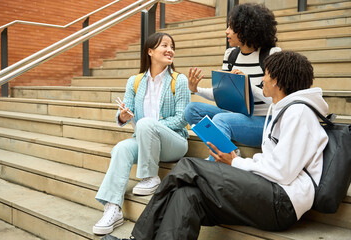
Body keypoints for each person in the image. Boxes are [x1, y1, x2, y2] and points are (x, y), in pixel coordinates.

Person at [106, 50, 329, 240]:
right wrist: (241, 161)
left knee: (188, 167)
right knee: (187, 195)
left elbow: (283, 171)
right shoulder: (283, 109)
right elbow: (274, 161)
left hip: (282, 201)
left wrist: (237, 162)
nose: (262, 80)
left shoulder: (299, 113)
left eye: (266, 75)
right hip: (267, 190)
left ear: (277, 81)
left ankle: (137, 237)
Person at [93, 32, 191, 235]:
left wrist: (151, 125)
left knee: (146, 124)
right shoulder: (135, 82)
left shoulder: (178, 80)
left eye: (172, 46)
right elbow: (124, 113)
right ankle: (113, 208)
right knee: (121, 148)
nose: (169, 50)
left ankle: (150, 177)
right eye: (164, 45)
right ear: (150, 51)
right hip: (144, 140)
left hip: (174, 143)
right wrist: (123, 116)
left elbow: (183, 119)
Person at [185, 3, 281, 149]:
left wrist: (247, 86)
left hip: (264, 121)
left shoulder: (272, 54)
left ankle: (217, 163)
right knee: (191, 110)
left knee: (221, 119)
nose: (226, 32)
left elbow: (279, 101)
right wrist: (197, 89)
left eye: (231, 27)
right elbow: (221, 94)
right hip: (234, 116)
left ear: (246, 29)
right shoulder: (231, 55)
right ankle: (231, 152)